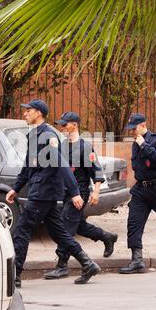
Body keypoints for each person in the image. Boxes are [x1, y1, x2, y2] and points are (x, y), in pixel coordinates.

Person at [6, 99, 101, 288]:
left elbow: (60, 164)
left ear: (38, 113)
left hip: (43, 191)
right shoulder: (35, 135)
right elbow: (28, 165)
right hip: (42, 190)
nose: (24, 114)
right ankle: (88, 264)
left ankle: (15, 275)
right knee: (60, 233)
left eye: (28, 111)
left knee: (22, 230)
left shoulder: (48, 135)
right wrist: (16, 188)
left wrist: (74, 192)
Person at [44, 112, 118, 281]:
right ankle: (107, 237)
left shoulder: (85, 147)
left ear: (74, 125)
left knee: (64, 228)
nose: (61, 127)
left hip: (79, 193)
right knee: (77, 226)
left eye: (65, 124)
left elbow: (97, 171)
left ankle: (62, 265)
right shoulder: (62, 145)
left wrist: (96, 192)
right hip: (64, 192)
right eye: (61, 124)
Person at [119, 113, 156, 274]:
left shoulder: (155, 139)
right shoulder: (136, 142)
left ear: (143, 125)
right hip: (141, 189)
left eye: (134, 128)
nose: (132, 131)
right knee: (134, 222)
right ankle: (137, 260)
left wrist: (144, 145)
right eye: (131, 129)